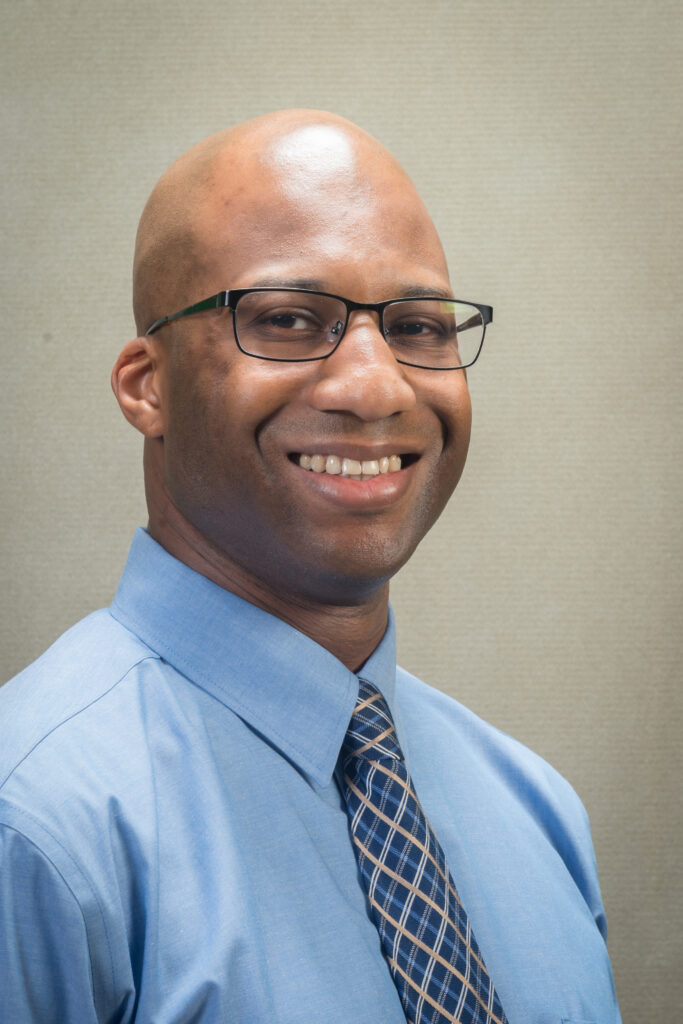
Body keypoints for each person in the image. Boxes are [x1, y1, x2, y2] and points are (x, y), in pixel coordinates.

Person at [0, 110, 621, 1023]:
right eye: (289, 319)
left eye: (417, 326)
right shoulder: (36, 829)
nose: (376, 386)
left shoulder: (538, 812)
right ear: (148, 384)